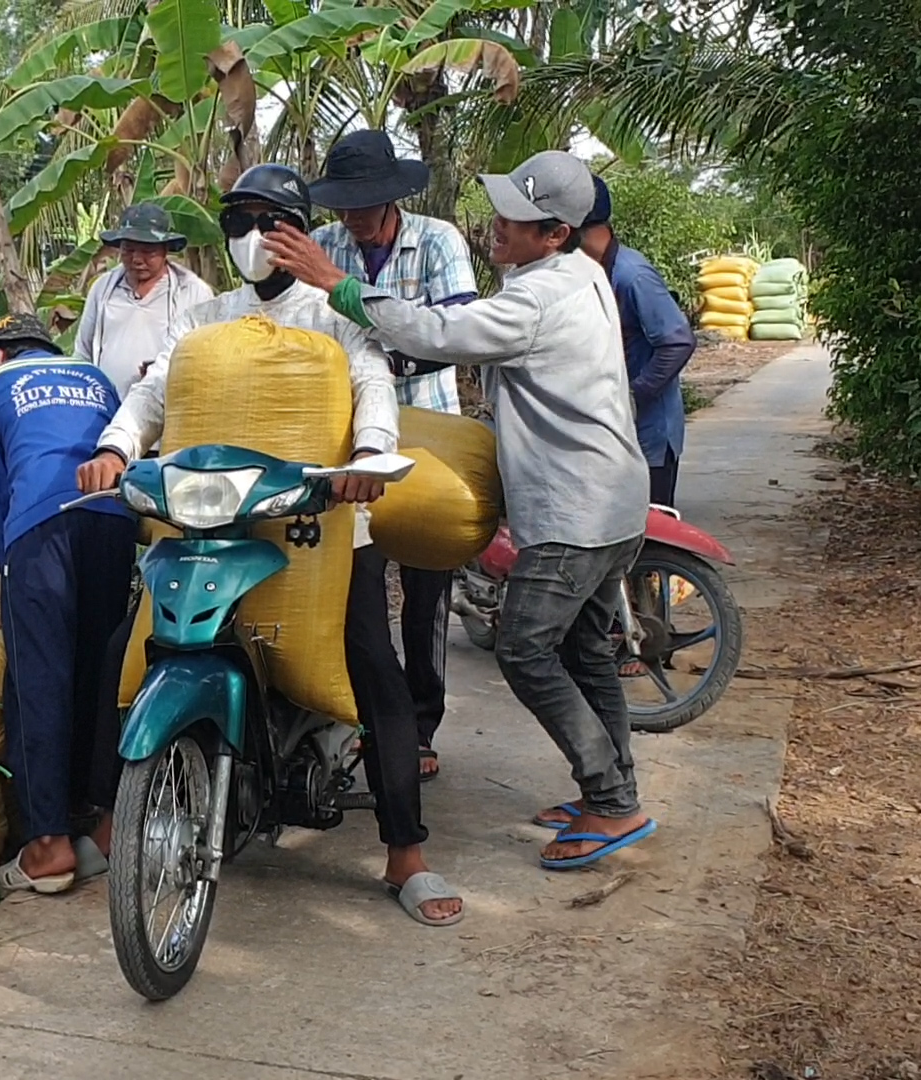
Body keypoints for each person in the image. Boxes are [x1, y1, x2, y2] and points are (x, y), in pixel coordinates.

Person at [78, 164, 464, 926]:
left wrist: (367, 458)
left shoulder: (332, 315)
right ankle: (108, 819)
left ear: (297, 232)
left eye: (270, 222)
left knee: (374, 667)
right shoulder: (204, 320)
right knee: (125, 649)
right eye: (238, 222)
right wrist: (117, 447)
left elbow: (373, 384)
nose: (252, 239)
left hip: (320, 524)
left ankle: (406, 853)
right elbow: (152, 390)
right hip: (213, 520)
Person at [265, 150, 656, 871]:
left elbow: (443, 337)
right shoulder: (572, 276)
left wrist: (336, 286)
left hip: (575, 508)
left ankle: (611, 799)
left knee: (526, 650)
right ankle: (611, 788)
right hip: (614, 499)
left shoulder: (537, 298)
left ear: (556, 234)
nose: (496, 228)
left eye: (514, 220)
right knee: (584, 650)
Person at [307, 128, 480, 783]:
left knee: (426, 591)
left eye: (365, 204)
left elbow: (456, 334)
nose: (353, 218)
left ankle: (422, 724)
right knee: (355, 582)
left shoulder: (437, 242)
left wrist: (383, 353)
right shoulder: (323, 248)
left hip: (427, 431)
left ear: (391, 200)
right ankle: (363, 718)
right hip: (350, 439)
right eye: (344, 205)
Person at [0, 314, 134, 893]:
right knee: (100, 665)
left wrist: (7, 576)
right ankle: (99, 811)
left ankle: (47, 844)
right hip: (113, 515)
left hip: (40, 525)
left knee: (38, 675)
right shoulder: (95, 376)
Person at [578, 176, 696, 508]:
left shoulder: (632, 275)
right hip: (616, 430)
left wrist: (633, 394)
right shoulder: (592, 272)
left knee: (652, 536)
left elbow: (678, 342)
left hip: (650, 433)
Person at [73, 203, 216, 399]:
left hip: (168, 409)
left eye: (148, 251)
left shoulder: (193, 293)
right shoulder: (102, 289)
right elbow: (82, 353)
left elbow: (209, 359)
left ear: (166, 250)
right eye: (128, 250)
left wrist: (164, 373)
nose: (137, 259)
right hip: (108, 408)